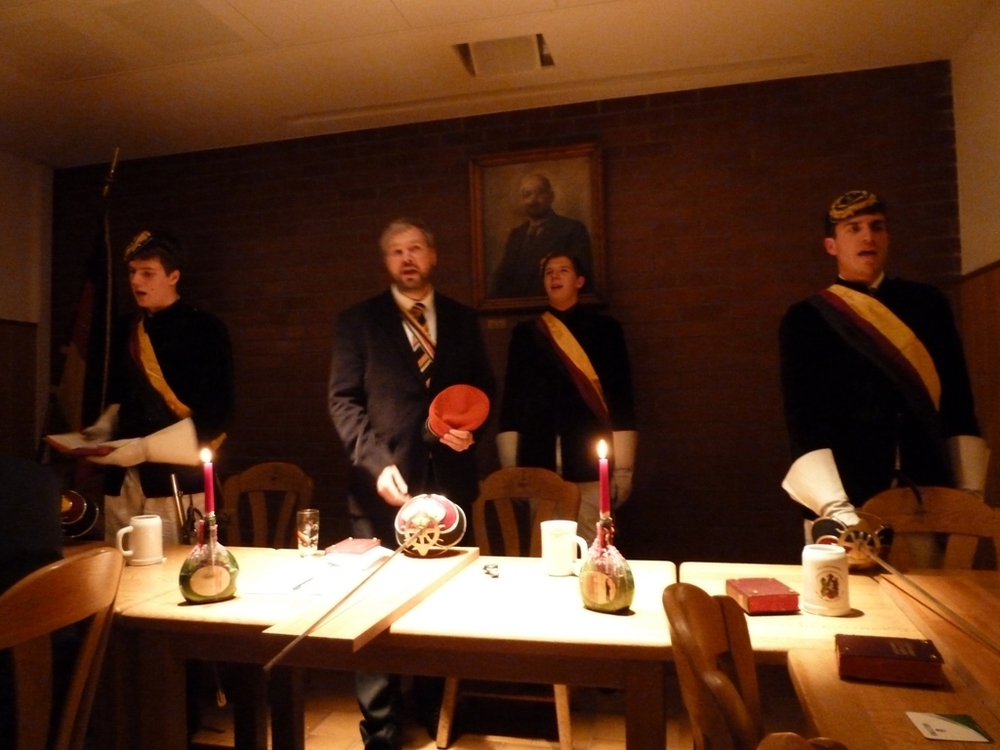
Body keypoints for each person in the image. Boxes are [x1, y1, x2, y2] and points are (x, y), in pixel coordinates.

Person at [327, 217, 496, 750]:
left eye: (415, 248)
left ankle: (434, 707)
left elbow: (484, 390)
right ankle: (380, 727)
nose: (407, 258)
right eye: (396, 251)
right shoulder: (358, 321)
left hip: (450, 484)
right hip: (382, 484)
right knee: (371, 607)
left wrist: (472, 431)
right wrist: (375, 463)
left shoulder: (464, 320)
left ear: (432, 255)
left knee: (440, 605)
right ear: (386, 262)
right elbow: (343, 401)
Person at [779, 190, 988, 541]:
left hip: (927, 488)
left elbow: (957, 400)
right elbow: (804, 420)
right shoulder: (806, 319)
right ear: (831, 245)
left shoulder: (928, 305)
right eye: (854, 228)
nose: (868, 237)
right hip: (847, 494)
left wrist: (969, 493)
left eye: (877, 226)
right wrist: (835, 507)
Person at [84, 230, 235, 545]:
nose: (136, 281)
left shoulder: (205, 329)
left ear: (173, 276)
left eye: (147, 273)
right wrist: (104, 426)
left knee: (173, 566)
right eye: (132, 272)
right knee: (120, 563)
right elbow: (119, 395)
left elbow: (217, 413)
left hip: (175, 479)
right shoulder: (126, 328)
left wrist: (143, 449)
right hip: (124, 478)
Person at [497, 251, 637, 543]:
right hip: (539, 461)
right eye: (549, 272)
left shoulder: (605, 330)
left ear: (579, 281)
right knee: (543, 549)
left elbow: (620, 398)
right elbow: (513, 400)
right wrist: (511, 469)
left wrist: (623, 470)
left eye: (563, 270)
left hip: (588, 462)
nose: (555, 276)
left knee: (593, 548)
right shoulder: (526, 334)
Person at [490, 173, 593, 298]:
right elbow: (502, 279)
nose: (533, 200)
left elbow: (581, 276)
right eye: (527, 194)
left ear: (551, 196)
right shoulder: (516, 235)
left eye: (539, 193)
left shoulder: (572, 229)